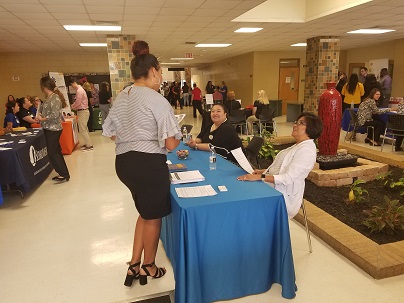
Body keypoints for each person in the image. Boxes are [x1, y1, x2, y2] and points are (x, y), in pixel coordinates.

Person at [102, 40, 181, 288]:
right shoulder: (157, 99)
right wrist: (176, 136)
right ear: (154, 71)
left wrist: (132, 134)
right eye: (159, 71)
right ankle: (149, 265)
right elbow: (170, 145)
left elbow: (110, 132)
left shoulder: (123, 95)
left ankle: (134, 264)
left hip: (124, 163)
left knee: (145, 213)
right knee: (154, 216)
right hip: (147, 164)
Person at [237, 112, 323, 218]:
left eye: (301, 123)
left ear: (311, 128)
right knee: (241, 188)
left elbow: (288, 178)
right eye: (296, 122)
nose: (295, 125)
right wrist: (263, 171)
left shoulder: (307, 151)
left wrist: (260, 177)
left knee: (242, 198)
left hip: (281, 198)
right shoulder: (299, 146)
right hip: (272, 189)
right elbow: (282, 168)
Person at [38, 76, 70, 182]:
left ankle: (63, 173)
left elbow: (55, 114)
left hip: (53, 129)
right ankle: (64, 173)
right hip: (49, 128)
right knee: (56, 152)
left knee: (52, 153)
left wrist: (43, 118)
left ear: (44, 86)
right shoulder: (49, 97)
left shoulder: (54, 98)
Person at [70, 77, 93, 151]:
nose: (72, 87)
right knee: (84, 128)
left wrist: (72, 106)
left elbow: (78, 102)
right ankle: (87, 143)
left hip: (82, 111)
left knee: (82, 129)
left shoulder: (79, 91)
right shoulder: (81, 90)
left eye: (71, 85)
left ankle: (89, 145)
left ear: (74, 83)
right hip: (83, 111)